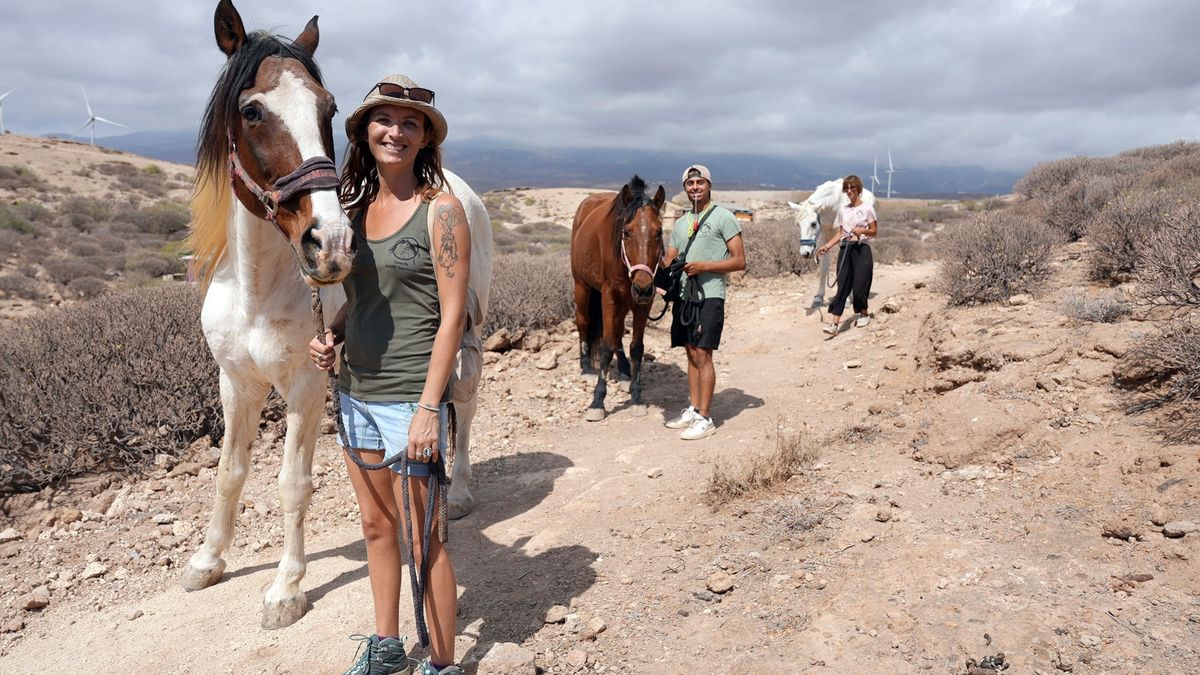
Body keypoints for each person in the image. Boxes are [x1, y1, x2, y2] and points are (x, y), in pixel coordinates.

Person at [309, 74, 470, 675]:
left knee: (423, 539)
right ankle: (387, 645)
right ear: (364, 131)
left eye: (410, 123)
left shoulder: (442, 212)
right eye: (384, 119)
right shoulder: (351, 211)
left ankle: (443, 665)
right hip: (355, 393)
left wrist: (430, 407)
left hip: (410, 399)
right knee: (377, 526)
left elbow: (452, 316)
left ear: (425, 138)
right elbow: (363, 299)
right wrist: (333, 335)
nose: (395, 132)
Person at [661, 164, 746, 440]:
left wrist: (703, 266)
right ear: (685, 188)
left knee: (703, 353)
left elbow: (739, 261)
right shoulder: (681, 223)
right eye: (690, 183)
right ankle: (694, 409)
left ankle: (706, 418)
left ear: (709, 185)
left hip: (709, 295)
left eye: (700, 182)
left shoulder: (724, 217)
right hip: (684, 296)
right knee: (690, 351)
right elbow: (669, 259)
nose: (695, 187)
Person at [817, 175, 877, 336]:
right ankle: (834, 325)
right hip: (845, 249)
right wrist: (827, 246)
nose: (849, 191)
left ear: (859, 189)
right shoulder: (844, 210)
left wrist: (862, 231)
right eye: (846, 188)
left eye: (852, 187)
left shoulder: (867, 209)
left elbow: (874, 231)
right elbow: (841, 232)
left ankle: (864, 314)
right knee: (842, 286)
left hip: (861, 249)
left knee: (859, 286)